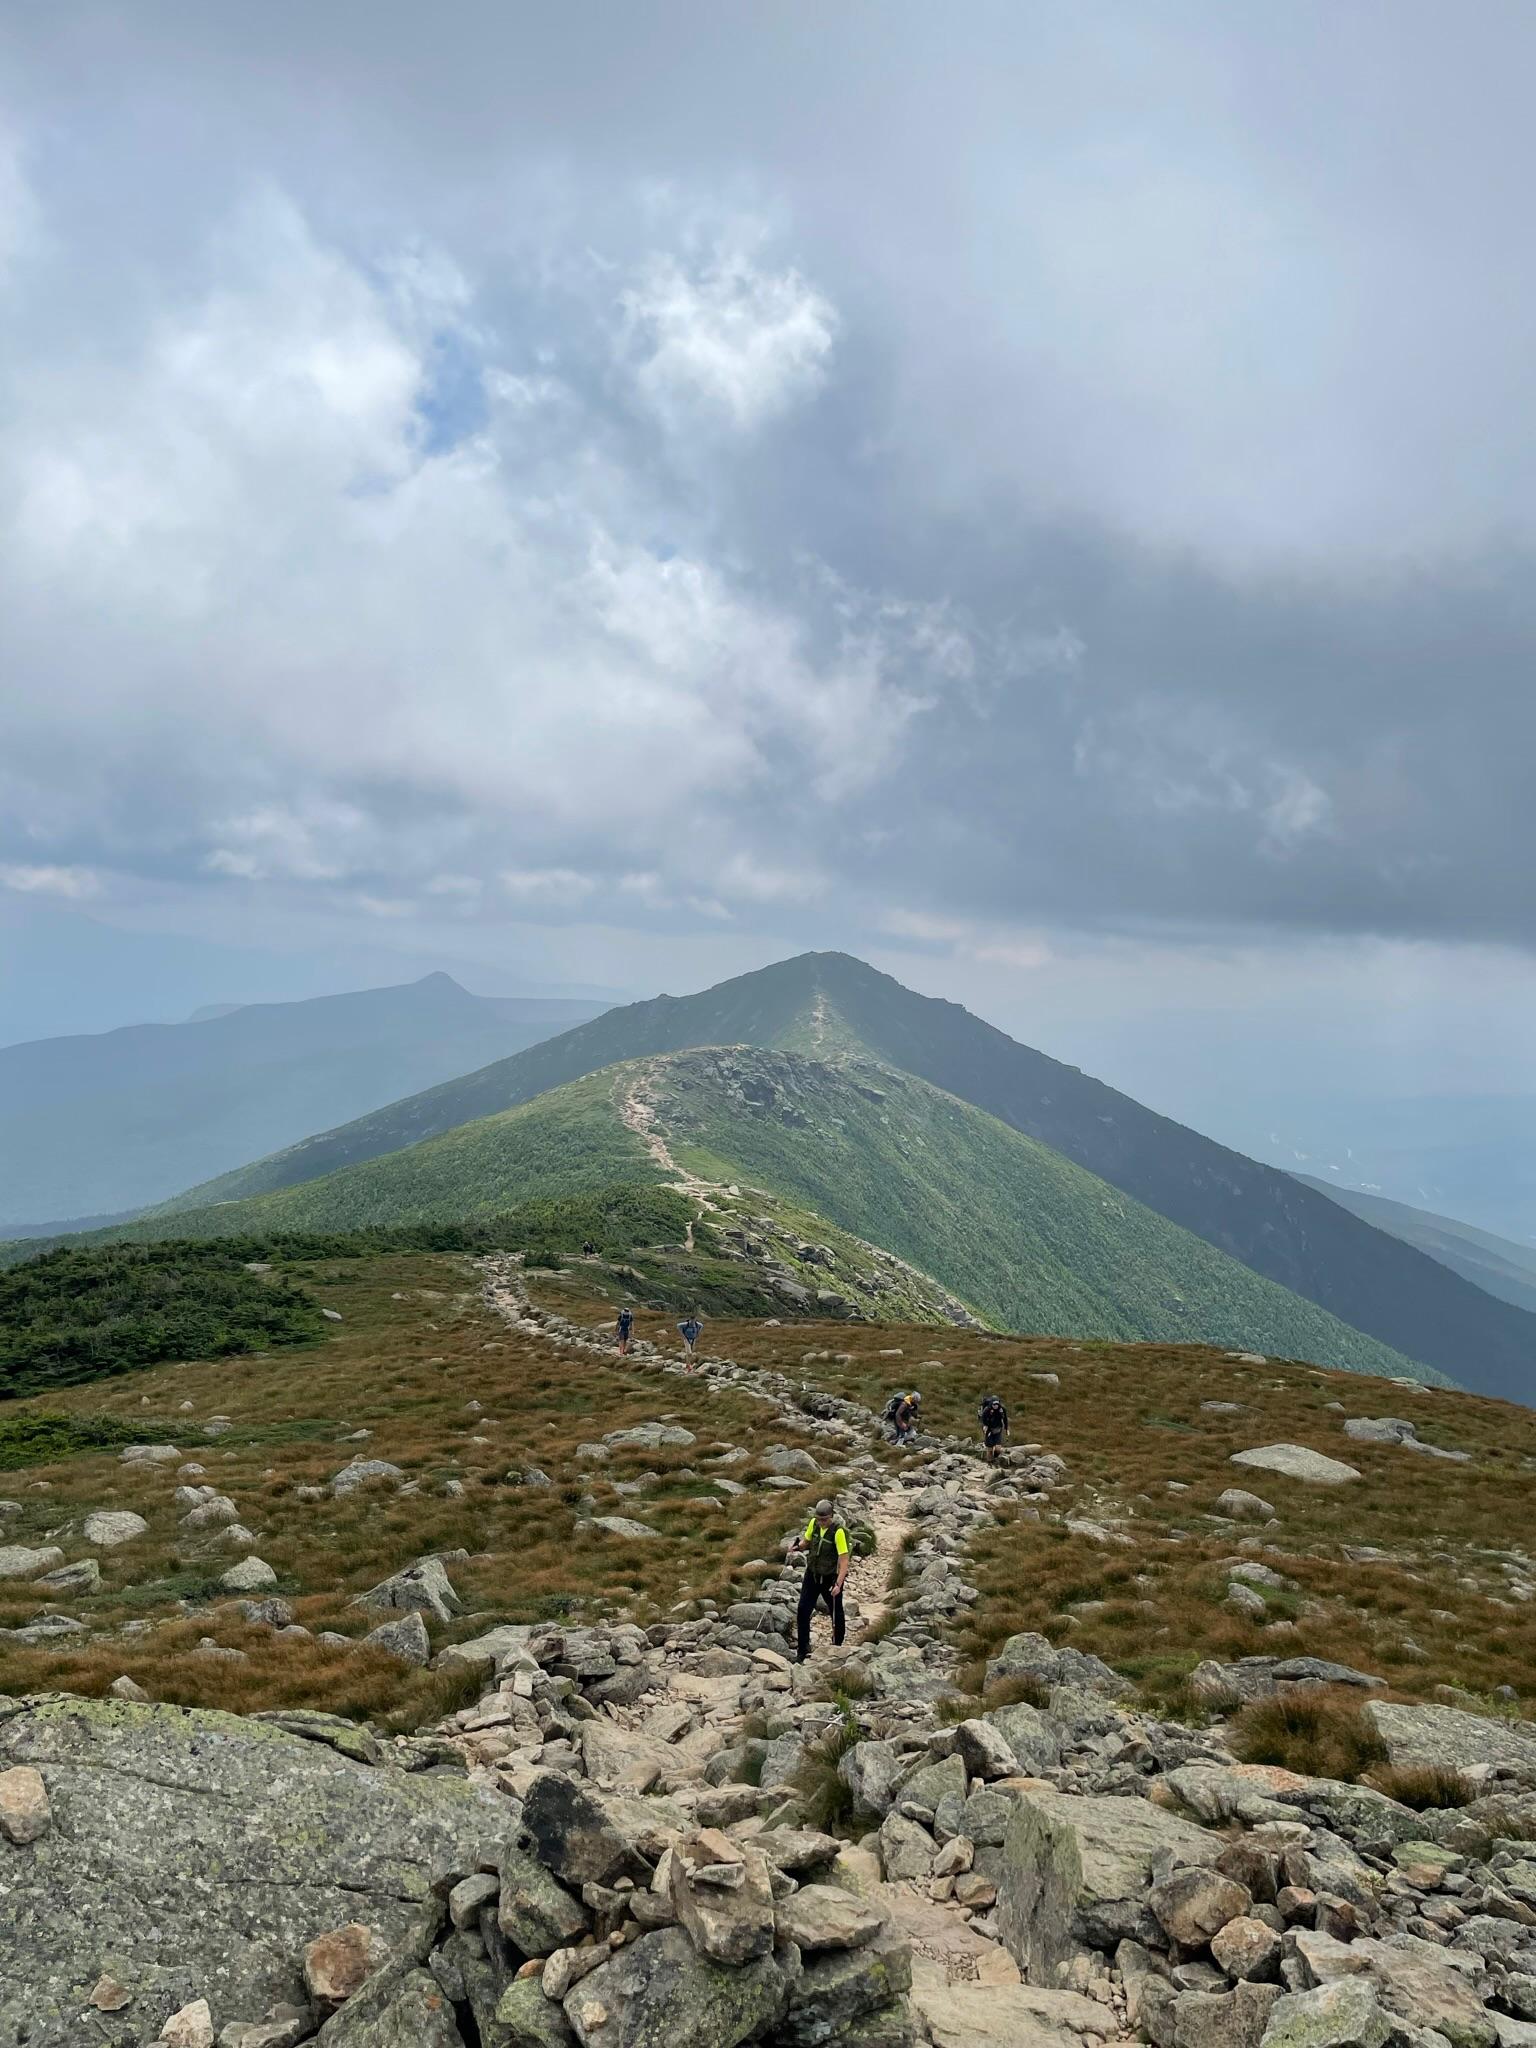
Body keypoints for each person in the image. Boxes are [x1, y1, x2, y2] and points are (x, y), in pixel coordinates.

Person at [790, 1497, 850, 1661]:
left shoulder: (838, 1532)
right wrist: (798, 1546)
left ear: (831, 1516)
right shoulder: (814, 1525)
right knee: (803, 1610)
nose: (822, 1522)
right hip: (812, 1575)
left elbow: (844, 1560)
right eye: (819, 1519)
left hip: (831, 1579)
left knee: (836, 1613)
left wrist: (839, 1583)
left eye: (825, 1519)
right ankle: (802, 1651)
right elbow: (807, 1542)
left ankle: (837, 1648)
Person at [979, 1392, 1009, 1463]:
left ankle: (995, 1457)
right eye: (994, 1404)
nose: (996, 1406)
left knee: (998, 1449)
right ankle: (989, 1462)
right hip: (989, 1430)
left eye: (997, 1404)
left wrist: (1007, 1428)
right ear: (991, 1404)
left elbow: (1005, 1419)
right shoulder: (987, 1410)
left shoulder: (1002, 1409)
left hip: (998, 1429)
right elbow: (983, 1419)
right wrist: (985, 1425)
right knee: (990, 1447)